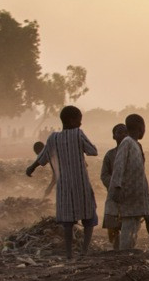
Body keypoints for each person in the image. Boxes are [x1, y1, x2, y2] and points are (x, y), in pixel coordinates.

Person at [26, 105, 98, 259]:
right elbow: (93, 151)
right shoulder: (78, 134)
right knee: (88, 217)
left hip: (64, 185)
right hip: (81, 184)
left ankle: (69, 254)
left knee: (68, 222)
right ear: (72, 120)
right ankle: (84, 251)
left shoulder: (53, 138)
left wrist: (31, 168)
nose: (80, 124)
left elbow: (43, 157)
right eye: (79, 120)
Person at [110, 114, 149, 250]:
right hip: (130, 194)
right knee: (129, 225)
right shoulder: (127, 143)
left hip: (138, 194)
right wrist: (117, 188)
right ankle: (124, 252)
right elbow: (118, 166)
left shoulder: (135, 144)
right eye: (144, 127)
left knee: (138, 223)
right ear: (140, 127)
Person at [100, 123, 128, 249]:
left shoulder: (132, 152)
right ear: (113, 136)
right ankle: (116, 248)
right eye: (119, 132)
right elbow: (104, 174)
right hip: (113, 194)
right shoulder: (110, 154)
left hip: (128, 192)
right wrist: (114, 184)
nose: (122, 135)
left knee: (127, 224)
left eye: (124, 132)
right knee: (113, 224)